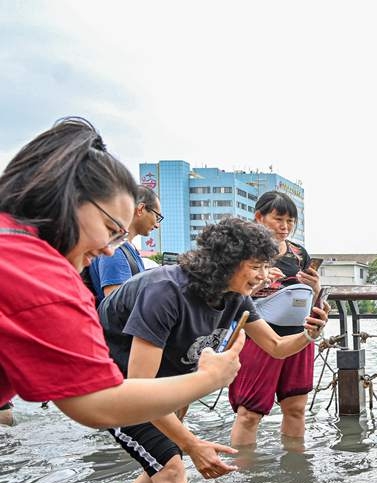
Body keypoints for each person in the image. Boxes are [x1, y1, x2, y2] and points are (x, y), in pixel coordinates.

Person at [0, 117, 243, 429]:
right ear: (72, 198)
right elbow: (101, 406)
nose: (108, 249)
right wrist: (210, 378)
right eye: (111, 229)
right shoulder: (43, 276)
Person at [100, 218, 329, 483]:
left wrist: (309, 334)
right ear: (226, 262)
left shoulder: (236, 297)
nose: (263, 276)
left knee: (161, 462)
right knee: (172, 468)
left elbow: (276, 347)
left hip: (163, 385)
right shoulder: (165, 291)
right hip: (114, 386)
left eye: (265, 267)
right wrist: (193, 445)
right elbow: (138, 390)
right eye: (256, 267)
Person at [228, 191, 321, 447]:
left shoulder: (299, 253)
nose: (285, 227)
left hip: (298, 333)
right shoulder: (242, 252)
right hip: (258, 332)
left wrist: (315, 288)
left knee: (296, 407)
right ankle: (245, 477)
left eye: (291, 221)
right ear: (259, 217)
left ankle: (295, 471)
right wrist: (259, 284)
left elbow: (309, 298)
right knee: (249, 413)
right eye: (278, 218)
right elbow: (232, 298)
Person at [85, 184, 163, 304]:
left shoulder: (126, 248)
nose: (157, 225)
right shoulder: (115, 250)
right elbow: (117, 307)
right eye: (157, 217)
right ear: (141, 209)